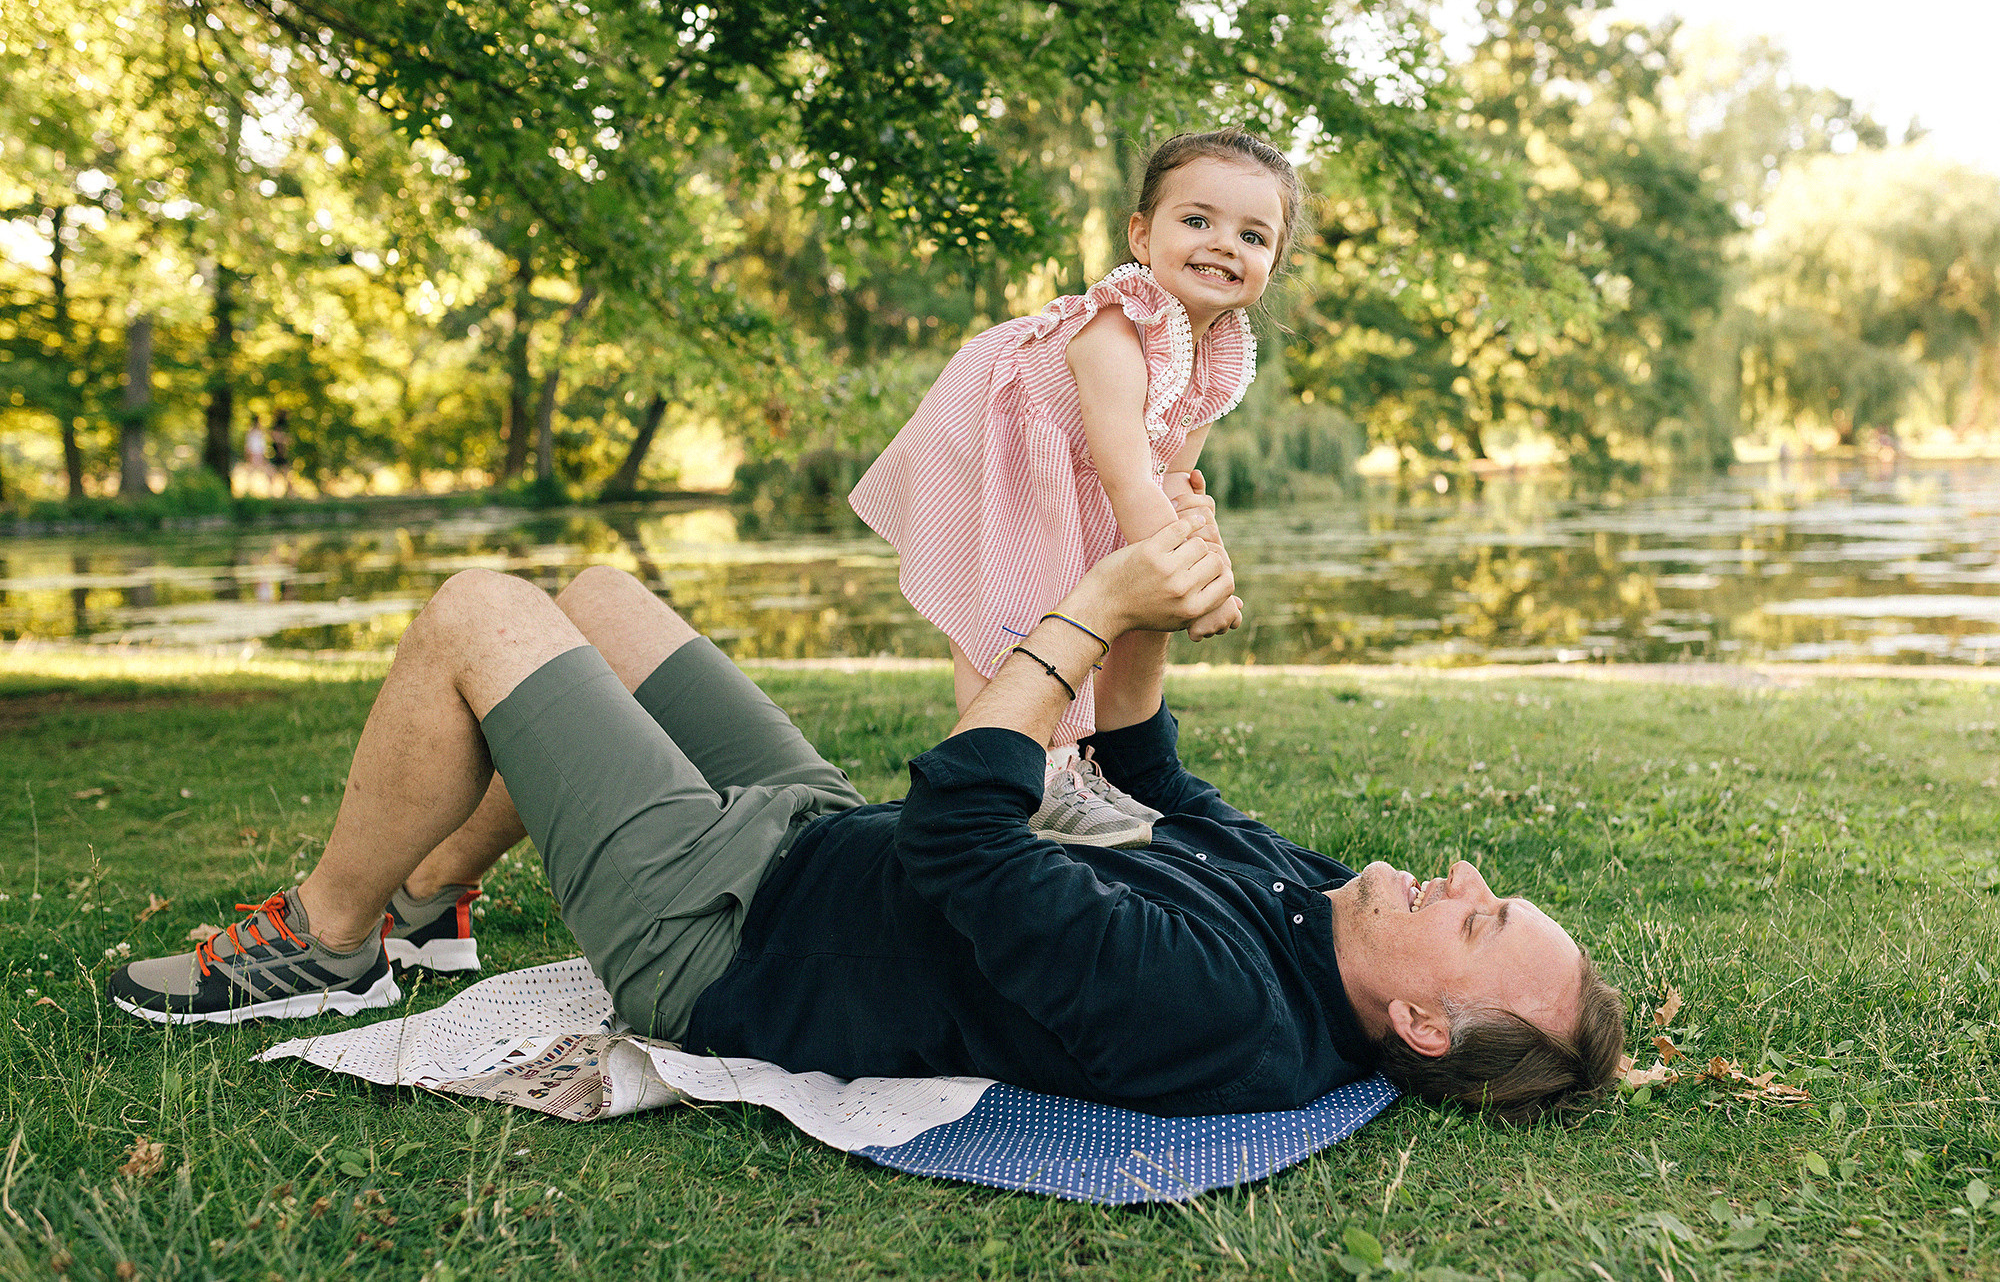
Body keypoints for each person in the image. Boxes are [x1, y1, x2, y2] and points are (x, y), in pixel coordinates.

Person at [107, 501, 1626, 1124]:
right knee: (597, 597)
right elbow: (1150, 772)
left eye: (1480, 916)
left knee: (478, 612)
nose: (1463, 872)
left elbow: (970, 818)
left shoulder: (1224, 1010)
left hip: (724, 932)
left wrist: (1092, 606)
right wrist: (1160, 560)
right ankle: (433, 890)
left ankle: (328, 934)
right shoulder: (1321, 916)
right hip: (815, 837)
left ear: (1425, 1024)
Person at [849, 128, 1301, 845]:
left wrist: (1201, 555)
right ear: (1142, 236)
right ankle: (1027, 776)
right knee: (1011, 605)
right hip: (993, 441)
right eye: (1197, 220)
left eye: (1252, 234)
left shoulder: (1216, 352)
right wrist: (1199, 591)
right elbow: (1128, 479)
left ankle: (1080, 763)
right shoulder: (1117, 331)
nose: (1223, 243)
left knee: (1088, 592)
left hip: (1068, 466)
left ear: (1273, 261)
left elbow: (1172, 481)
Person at [243, 415, 270, 495]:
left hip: (258, 454)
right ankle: (249, 489)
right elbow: (249, 446)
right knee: (252, 471)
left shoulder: (257, 432)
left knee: (256, 471)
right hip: (254, 454)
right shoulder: (253, 433)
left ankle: (265, 490)